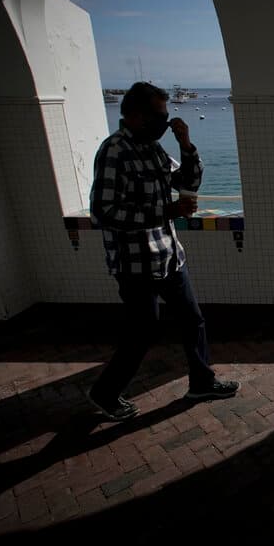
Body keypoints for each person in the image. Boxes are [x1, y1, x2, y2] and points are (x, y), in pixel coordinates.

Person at [86, 81, 239, 421]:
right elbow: (103, 212)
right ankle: (104, 393)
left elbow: (188, 181)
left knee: (192, 320)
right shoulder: (114, 151)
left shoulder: (152, 148)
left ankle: (202, 382)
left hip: (168, 255)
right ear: (137, 116)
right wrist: (164, 213)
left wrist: (186, 145)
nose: (165, 122)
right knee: (143, 330)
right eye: (160, 115)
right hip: (134, 263)